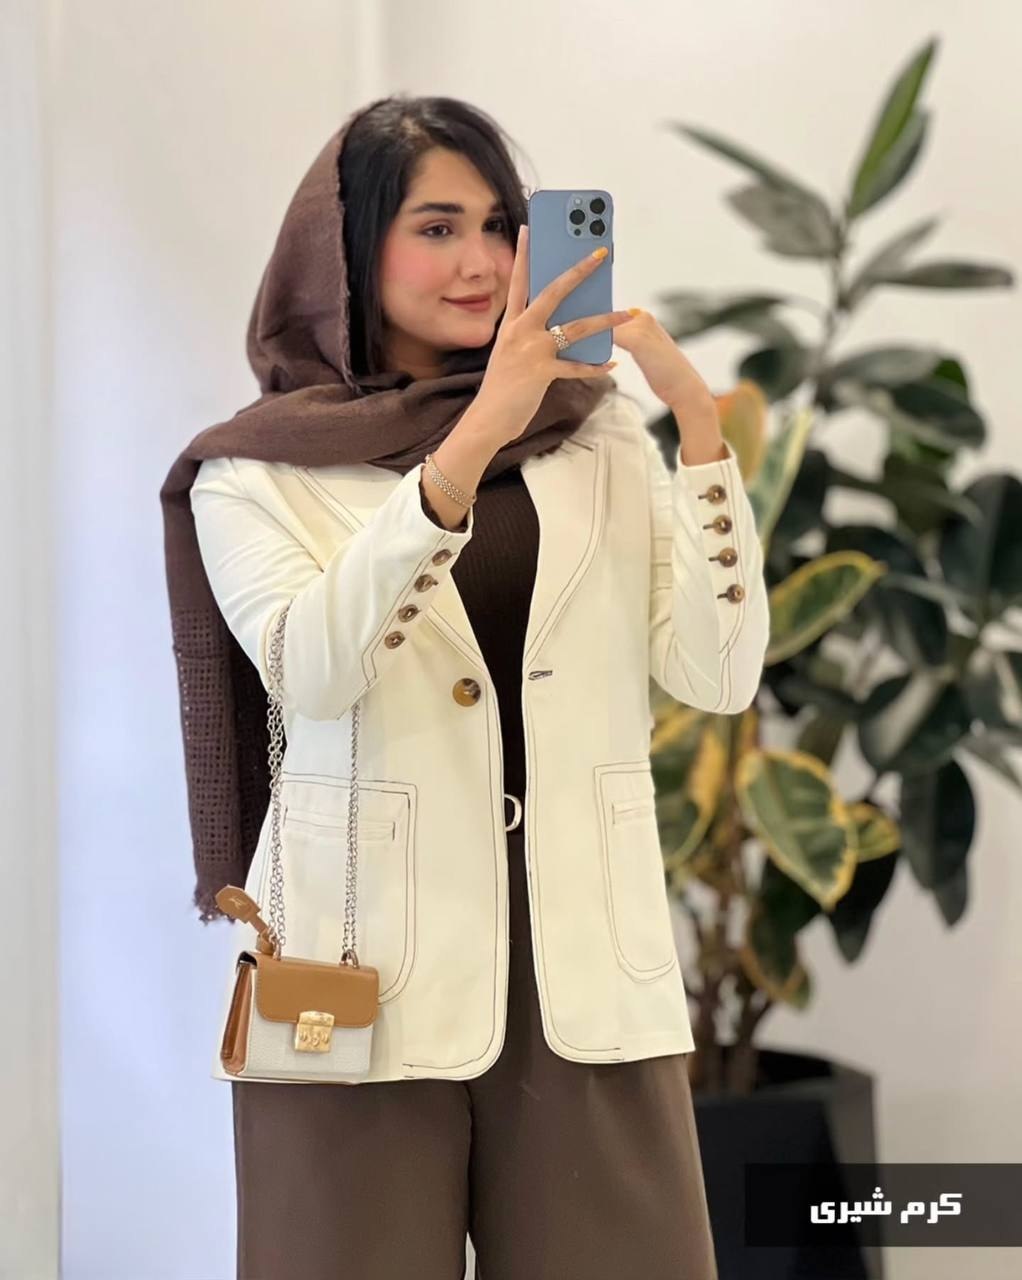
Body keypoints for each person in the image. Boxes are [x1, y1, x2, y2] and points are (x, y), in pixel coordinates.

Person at [165, 93, 769, 1280]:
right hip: (356, 980)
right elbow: (312, 668)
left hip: (583, 967)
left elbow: (716, 672)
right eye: (436, 227)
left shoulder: (596, 434)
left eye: (499, 225)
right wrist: (470, 443)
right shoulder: (252, 468)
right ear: (350, 249)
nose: (483, 262)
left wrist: (699, 435)